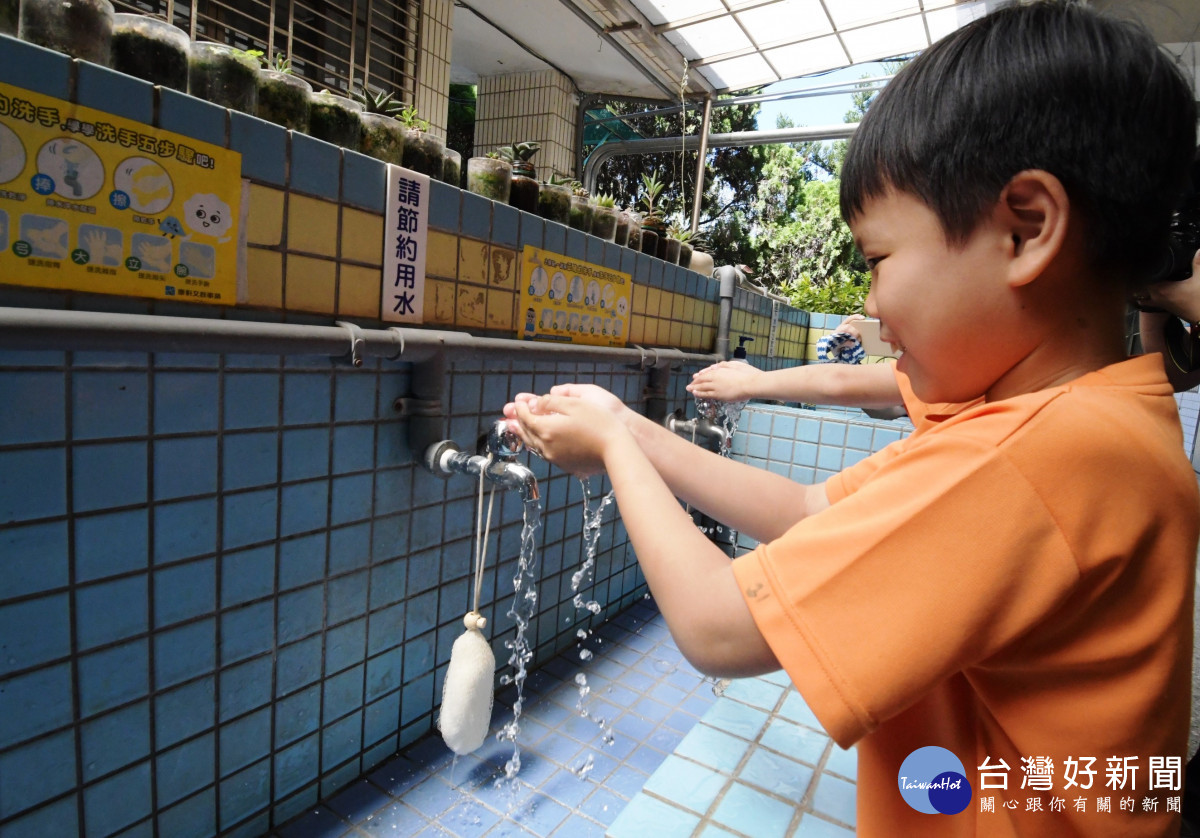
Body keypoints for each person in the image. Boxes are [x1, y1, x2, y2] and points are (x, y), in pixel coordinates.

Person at [505, 2, 1199, 835]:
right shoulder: (1055, 425)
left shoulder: (1029, 462)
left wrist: (616, 445)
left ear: (1027, 230)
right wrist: (633, 427)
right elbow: (804, 514)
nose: (869, 303)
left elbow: (720, 629)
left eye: (878, 259)